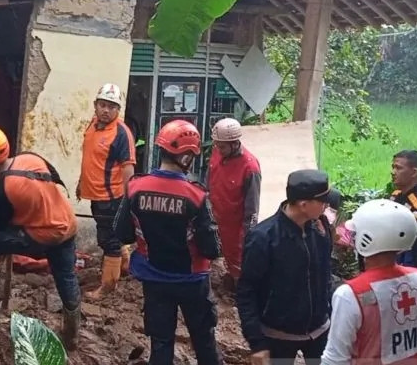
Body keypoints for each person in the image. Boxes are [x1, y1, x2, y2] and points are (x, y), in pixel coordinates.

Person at [0, 121, 81, 350]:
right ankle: (71, 335)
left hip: (42, 234)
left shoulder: (6, 188)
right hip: (67, 225)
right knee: (66, 277)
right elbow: (55, 178)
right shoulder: (30, 158)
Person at [113, 119, 223, 365]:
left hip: (154, 279)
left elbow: (122, 233)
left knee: (161, 343)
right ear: (186, 157)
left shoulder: (135, 187)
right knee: (204, 341)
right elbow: (212, 249)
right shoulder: (196, 195)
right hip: (192, 281)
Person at [236, 169, 333, 365]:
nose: (327, 206)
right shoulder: (263, 238)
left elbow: (326, 274)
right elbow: (247, 291)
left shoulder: (320, 227)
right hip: (277, 336)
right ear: (303, 205)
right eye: (322, 201)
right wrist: (257, 343)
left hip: (321, 332)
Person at [321, 199, 417, 365]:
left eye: (356, 234)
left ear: (368, 238)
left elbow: (335, 359)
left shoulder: (350, 294)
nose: (352, 237)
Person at [76, 83, 136, 300]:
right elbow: (90, 157)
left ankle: (108, 286)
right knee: (111, 236)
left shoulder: (121, 133)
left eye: (112, 107)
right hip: (95, 195)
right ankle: (125, 264)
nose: (106, 110)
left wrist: (128, 200)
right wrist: (81, 183)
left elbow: (128, 168)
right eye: (103, 105)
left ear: (118, 110)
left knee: (108, 241)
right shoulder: (92, 125)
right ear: (95, 105)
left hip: (112, 198)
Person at [206, 117, 261, 289]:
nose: (218, 149)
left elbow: (252, 209)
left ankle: (239, 290)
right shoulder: (217, 152)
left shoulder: (250, 168)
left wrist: (248, 236)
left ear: (235, 143)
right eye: (216, 145)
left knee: (238, 262)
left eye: (222, 147)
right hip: (214, 217)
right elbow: (210, 179)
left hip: (235, 227)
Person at [388, 150, 417, 270]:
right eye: (393, 167)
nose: (393, 172)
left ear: (414, 172)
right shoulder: (396, 195)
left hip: (412, 266)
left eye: (398, 168)